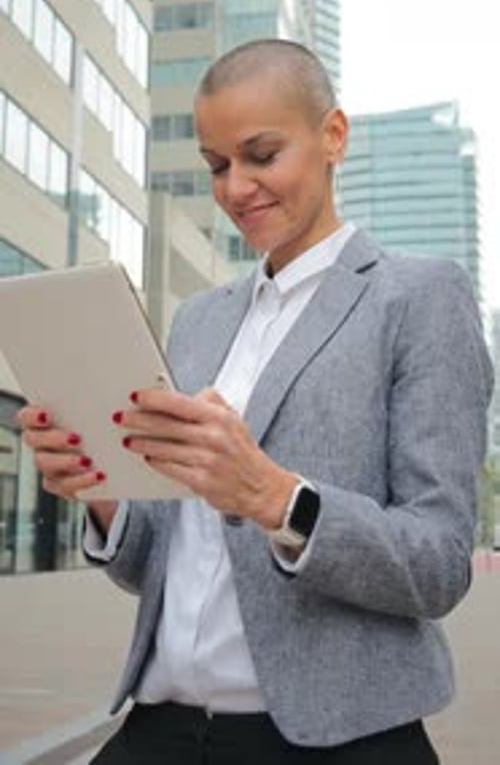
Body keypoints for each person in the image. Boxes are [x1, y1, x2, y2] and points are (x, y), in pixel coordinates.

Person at [18, 40, 493, 764]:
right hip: (161, 730)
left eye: (261, 155)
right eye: (216, 165)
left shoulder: (420, 297)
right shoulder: (199, 320)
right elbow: (155, 563)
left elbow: (438, 563)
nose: (236, 188)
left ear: (333, 136)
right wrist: (104, 494)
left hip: (336, 740)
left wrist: (277, 498)